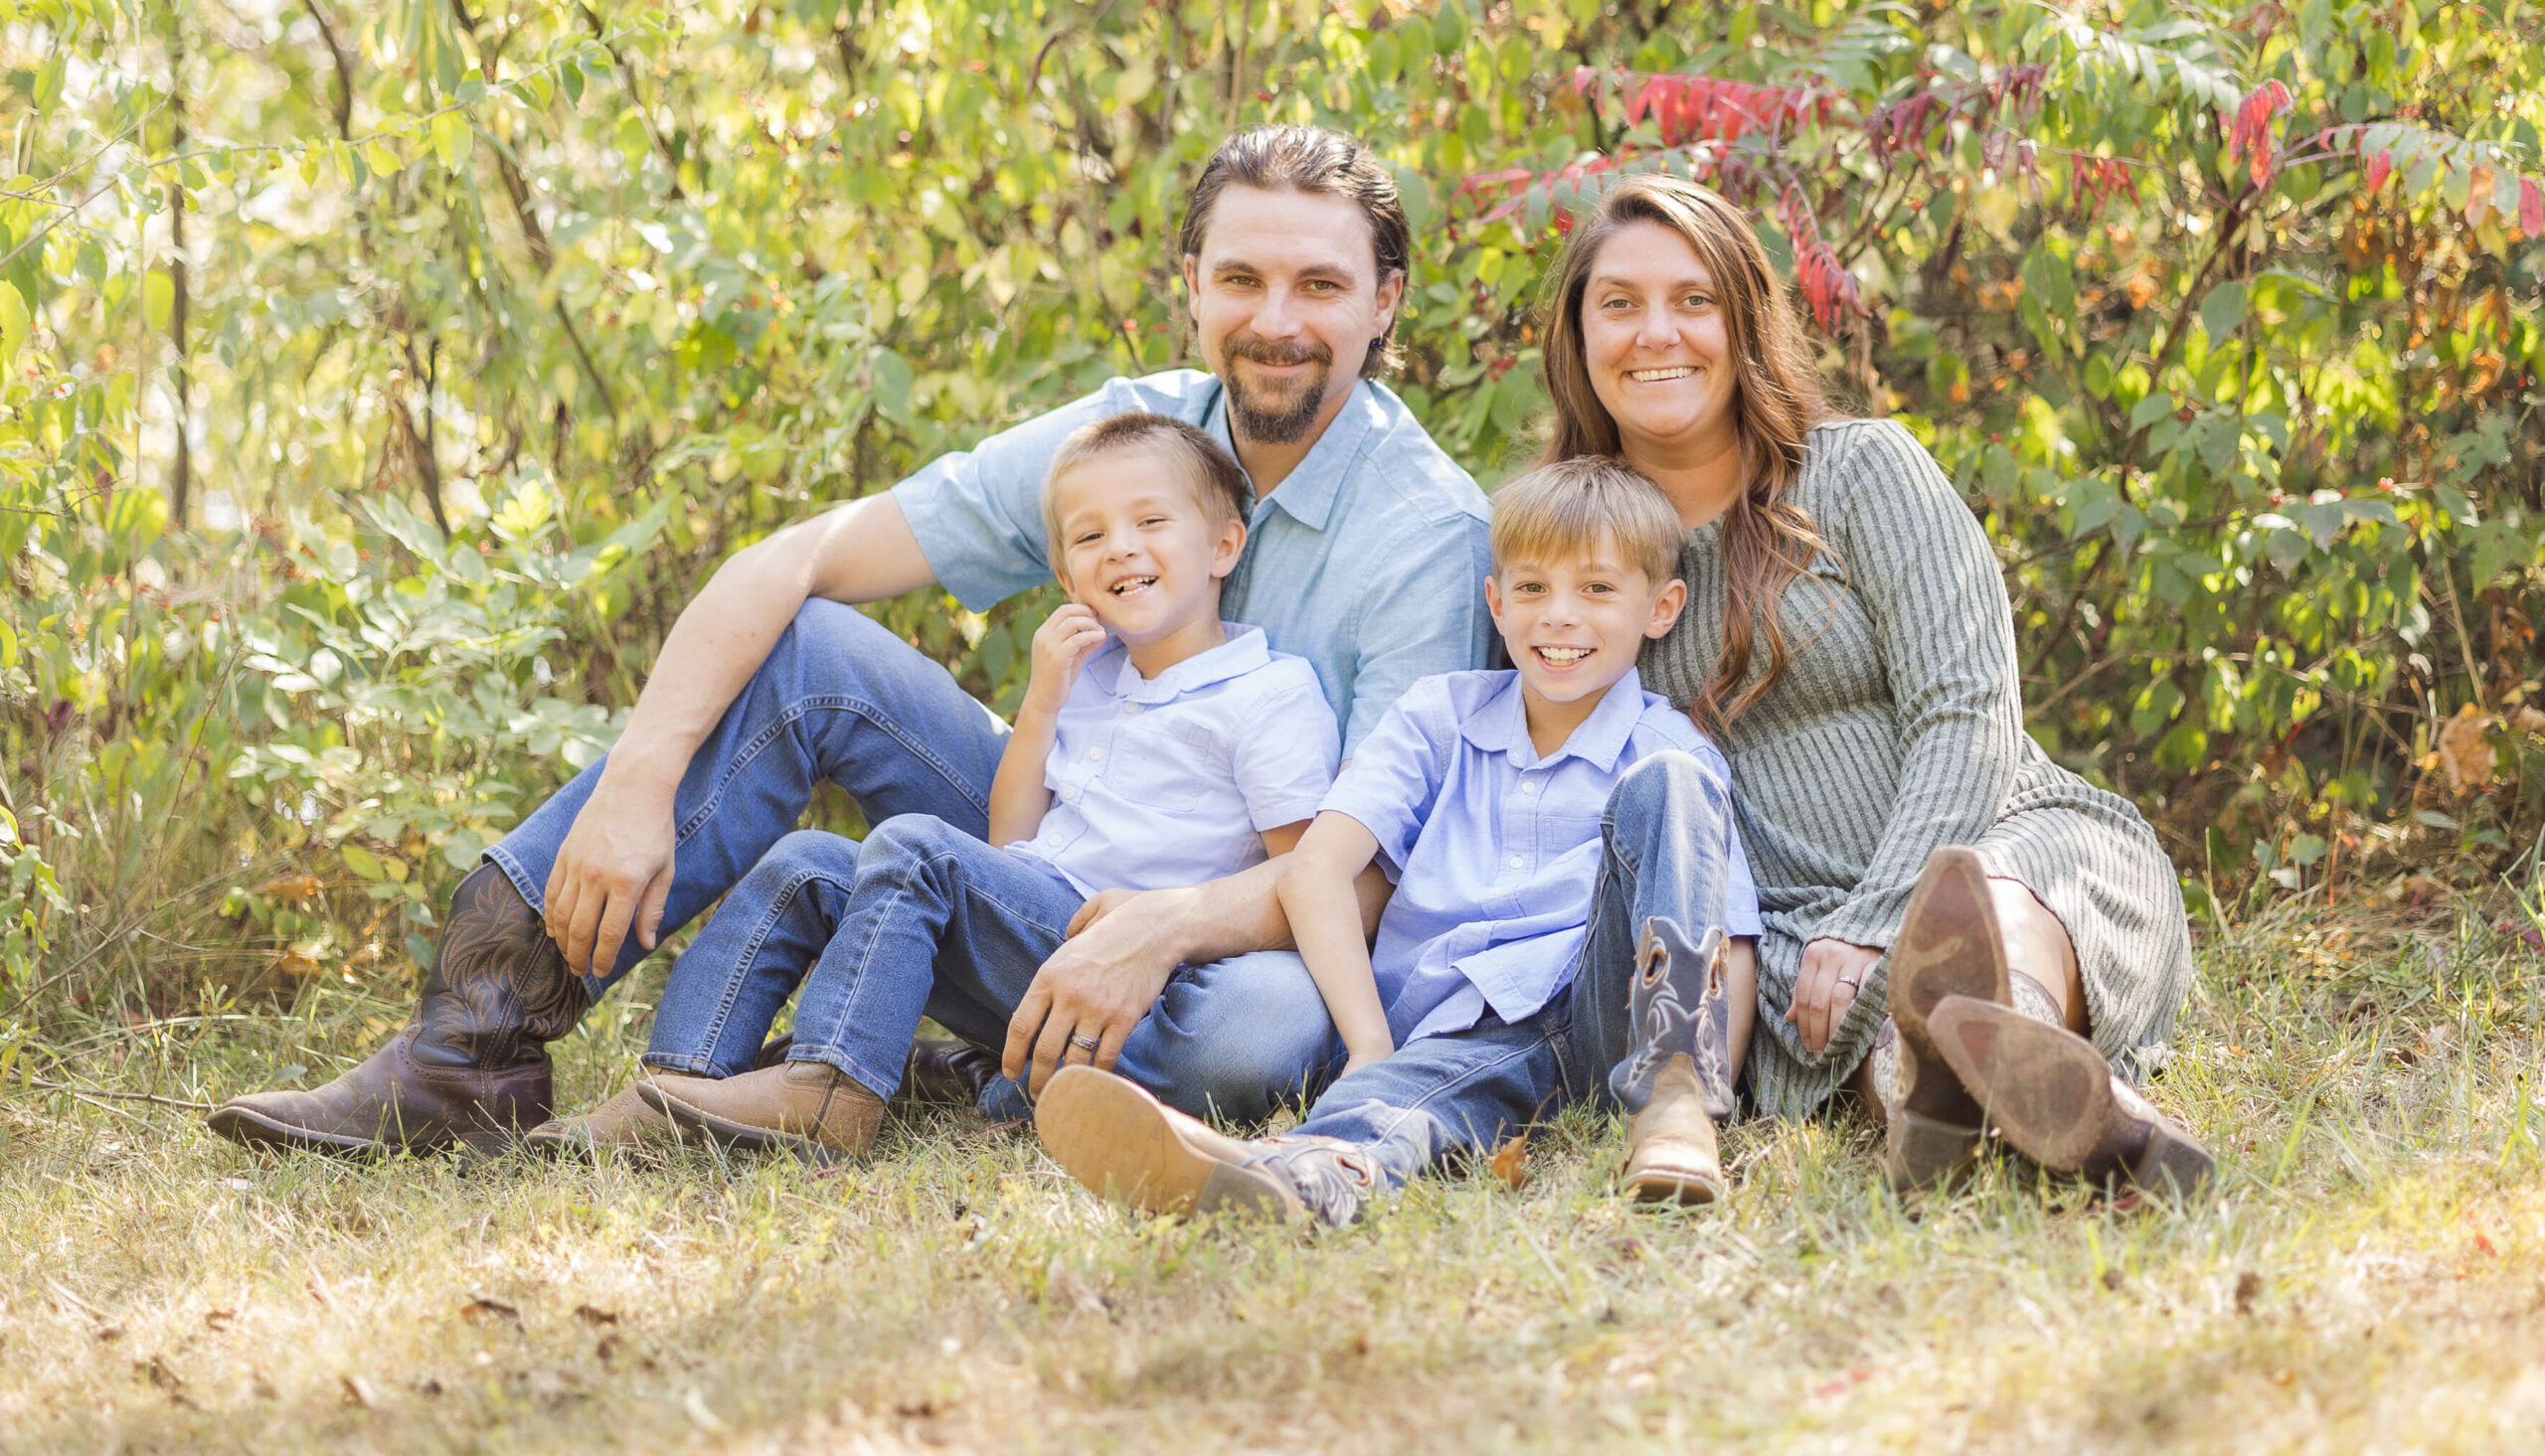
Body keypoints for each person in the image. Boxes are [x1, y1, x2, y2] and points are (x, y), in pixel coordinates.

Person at [206, 126, 1492, 1157]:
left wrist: (1157, 929)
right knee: (811, 650)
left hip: (1266, 919)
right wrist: (644, 775)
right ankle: (469, 1049)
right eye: (1243, 279)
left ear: (1384, 305)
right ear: (1195, 289)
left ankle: (960, 1051)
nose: (1277, 318)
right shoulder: (1132, 435)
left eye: (1321, 284)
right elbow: (797, 559)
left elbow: (1367, 873)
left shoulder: (1423, 532)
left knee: (1254, 1041)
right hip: (1070, 838)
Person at [1533, 172, 2209, 1196]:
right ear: (1577, 338)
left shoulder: (1860, 473)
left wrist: (1882, 915)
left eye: (1693, 299)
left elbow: (1968, 708)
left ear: (1744, 321)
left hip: (2007, 837)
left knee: (1982, 908)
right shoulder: (1562, 564)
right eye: (1618, 303)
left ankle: (1998, 1037)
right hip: (1783, 932)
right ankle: (1970, 1109)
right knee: (1844, 1029)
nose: (1655, 331)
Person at [1033, 455, 1764, 1225]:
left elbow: (1728, 938)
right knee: (1410, 1093)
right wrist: (1369, 1040)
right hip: (1453, 1032)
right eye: (1531, 588)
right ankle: (1287, 1173)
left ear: (1662, 606)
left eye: (1598, 589)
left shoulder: (1665, 747)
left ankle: (1675, 1097)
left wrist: (1700, 1109)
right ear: (1496, 600)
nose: (1559, 615)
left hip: (1594, 1017)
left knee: (1671, 780)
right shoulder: (1438, 717)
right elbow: (1315, 868)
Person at [618, 413, 1339, 1161]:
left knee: (917, 849)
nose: (1121, 546)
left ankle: (834, 1090)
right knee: (805, 862)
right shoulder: (1089, 674)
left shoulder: (1265, 695)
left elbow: (1303, 882)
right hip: (1034, 937)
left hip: (1145, 975)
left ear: (1225, 545)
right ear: (1067, 579)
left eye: (1151, 521)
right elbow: (1011, 844)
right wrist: (1042, 704)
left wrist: (1168, 927)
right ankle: (672, 1087)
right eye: (1090, 537)